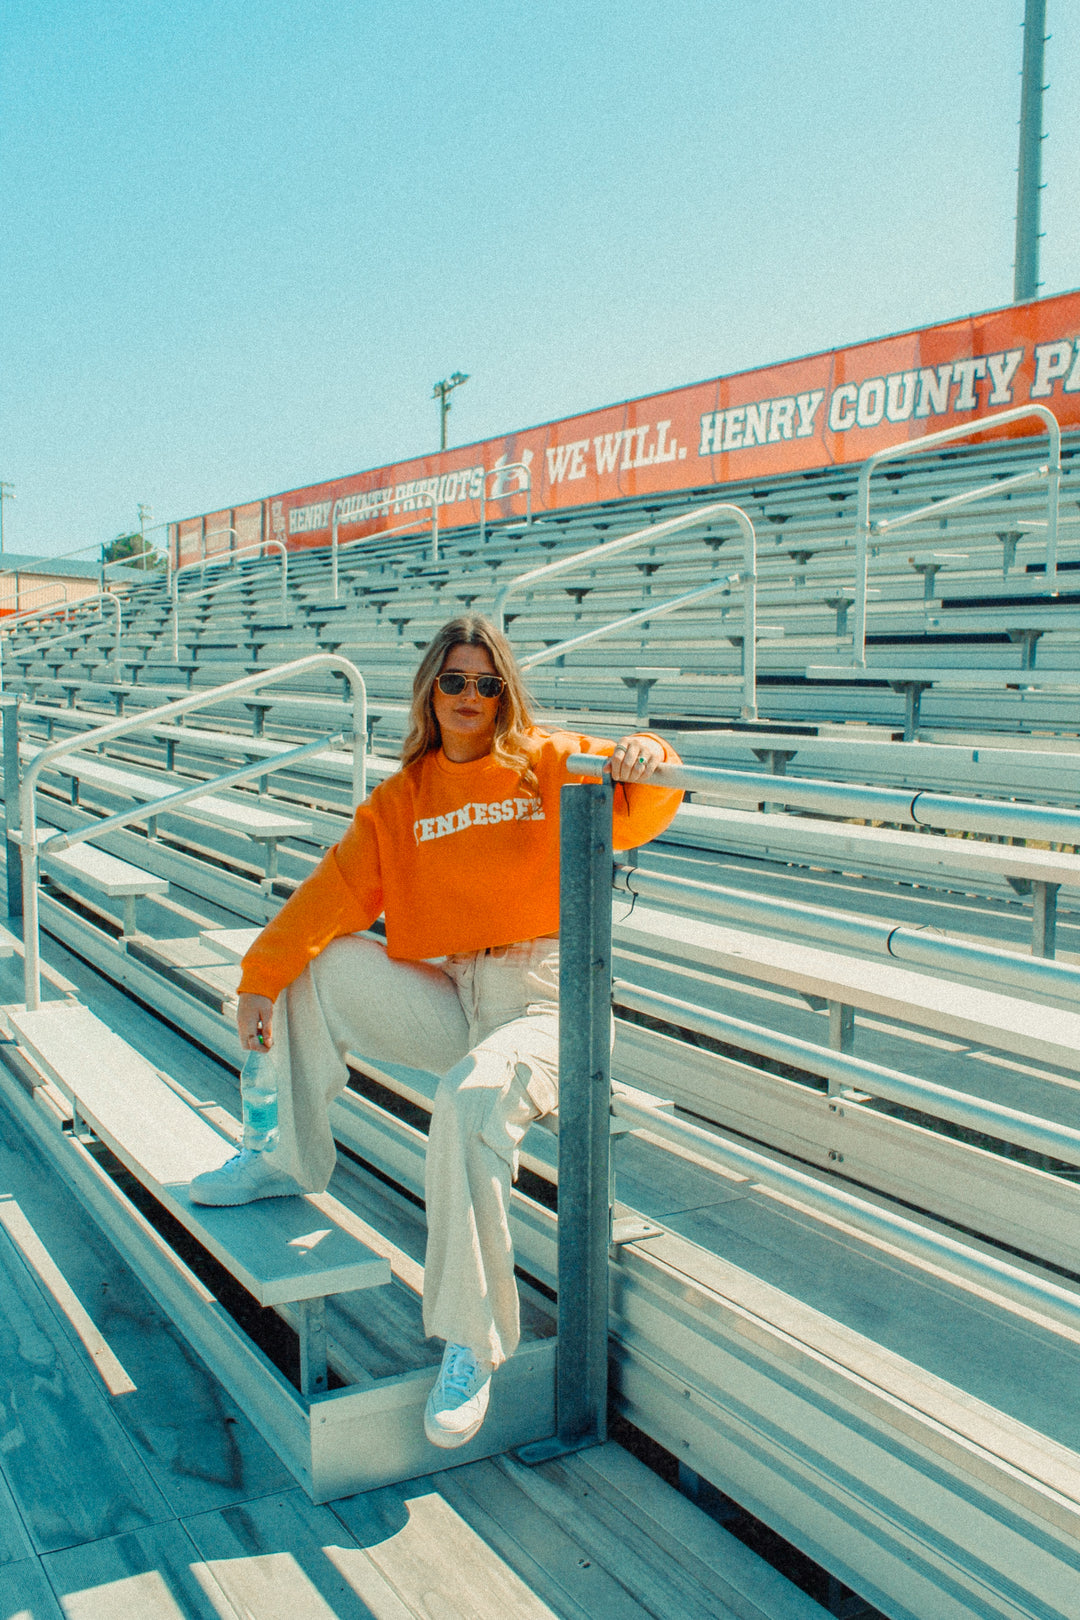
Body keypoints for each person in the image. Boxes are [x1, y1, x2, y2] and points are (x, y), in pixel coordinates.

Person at [190, 613, 682, 1448]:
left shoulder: (545, 763)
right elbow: (331, 894)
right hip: (457, 989)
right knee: (319, 960)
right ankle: (287, 1158)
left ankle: (472, 1341)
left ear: (504, 695)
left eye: (487, 684)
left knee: (468, 1098)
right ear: (430, 689)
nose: (470, 697)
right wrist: (258, 979)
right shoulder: (403, 799)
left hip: (546, 997)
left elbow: (640, 797)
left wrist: (648, 751)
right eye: (454, 680)